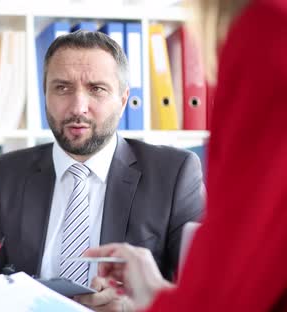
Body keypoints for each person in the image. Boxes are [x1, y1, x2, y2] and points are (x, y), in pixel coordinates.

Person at [0, 31, 205, 311]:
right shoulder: (9, 172)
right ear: (45, 94)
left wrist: (137, 307)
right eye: (63, 88)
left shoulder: (174, 173)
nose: (78, 107)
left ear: (123, 99)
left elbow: (206, 294)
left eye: (97, 89)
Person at [83, 0, 287, 310]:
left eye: (97, 88)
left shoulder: (267, 28)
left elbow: (228, 296)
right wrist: (158, 292)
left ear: (125, 98)